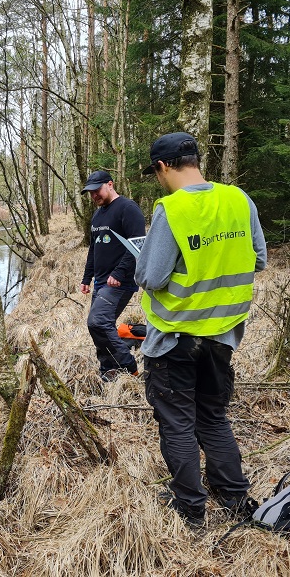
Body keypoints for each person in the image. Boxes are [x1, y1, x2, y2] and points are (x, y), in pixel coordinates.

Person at [135, 132, 267, 528]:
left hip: (175, 338)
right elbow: (258, 260)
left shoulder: (171, 210)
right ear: (195, 159)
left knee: (177, 421)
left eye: (155, 172)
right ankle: (234, 495)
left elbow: (151, 276)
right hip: (223, 335)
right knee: (213, 415)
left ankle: (190, 509)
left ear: (162, 167)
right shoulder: (238, 199)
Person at [80, 170, 146, 382]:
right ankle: (108, 369)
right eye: (90, 192)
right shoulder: (98, 215)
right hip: (100, 281)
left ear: (110, 184)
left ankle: (128, 364)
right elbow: (94, 249)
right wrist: (86, 278)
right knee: (100, 327)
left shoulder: (127, 208)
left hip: (120, 281)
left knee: (98, 322)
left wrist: (119, 272)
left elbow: (138, 244)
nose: (94, 196)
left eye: (97, 190)